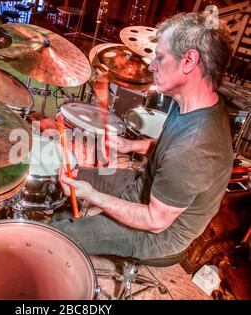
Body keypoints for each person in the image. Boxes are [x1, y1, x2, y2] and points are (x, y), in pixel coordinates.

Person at [52, 11, 235, 260]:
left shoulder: (194, 149)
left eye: (159, 57)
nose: (151, 66)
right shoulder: (192, 103)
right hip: (145, 187)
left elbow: (154, 220)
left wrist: (93, 196)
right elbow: (170, 145)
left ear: (189, 61)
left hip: (157, 234)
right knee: (71, 177)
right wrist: (130, 145)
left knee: (56, 235)